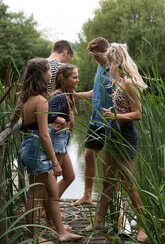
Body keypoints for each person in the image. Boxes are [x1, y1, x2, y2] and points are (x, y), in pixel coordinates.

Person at [13, 58, 83, 243]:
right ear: (42, 75)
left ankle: (62, 233)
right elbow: (45, 135)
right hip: (37, 149)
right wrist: (54, 162)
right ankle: (33, 237)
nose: (51, 74)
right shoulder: (41, 101)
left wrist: (9, 124)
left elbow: (14, 117)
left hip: (29, 145)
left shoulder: (24, 97)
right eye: (49, 71)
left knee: (52, 192)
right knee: (35, 196)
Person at [85, 43, 148, 243]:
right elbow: (121, 110)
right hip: (113, 133)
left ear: (115, 61)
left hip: (126, 136)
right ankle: (99, 221)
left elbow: (138, 115)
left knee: (129, 185)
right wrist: (111, 115)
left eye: (109, 62)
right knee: (108, 182)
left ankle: (143, 227)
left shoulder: (129, 82)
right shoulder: (118, 80)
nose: (107, 66)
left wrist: (115, 116)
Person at [73, 37, 113, 206]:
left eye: (97, 56)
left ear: (106, 52)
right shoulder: (99, 68)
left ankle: (111, 202)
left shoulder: (117, 70)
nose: (95, 59)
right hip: (95, 121)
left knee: (110, 164)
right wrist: (74, 95)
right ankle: (87, 195)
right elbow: (94, 93)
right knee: (88, 155)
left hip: (112, 123)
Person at [42, 64, 79, 229]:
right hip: (57, 140)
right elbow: (47, 113)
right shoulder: (59, 96)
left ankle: (50, 209)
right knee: (52, 182)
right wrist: (61, 121)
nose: (77, 80)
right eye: (74, 78)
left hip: (62, 140)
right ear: (63, 78)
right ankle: (51, 219)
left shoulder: (66, 95)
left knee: (70, 176)